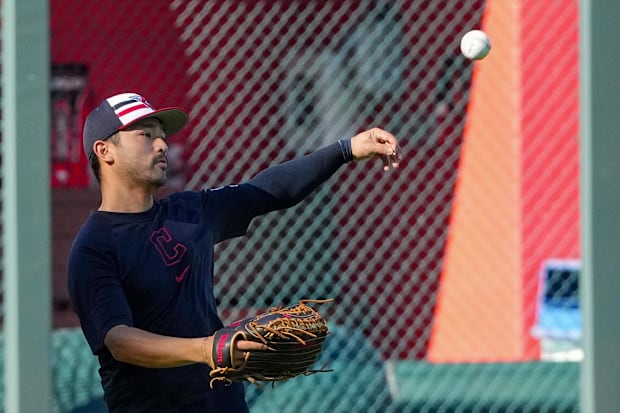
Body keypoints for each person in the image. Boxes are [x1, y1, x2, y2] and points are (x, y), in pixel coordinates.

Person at [67, 92, 401, 413]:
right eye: (146, 134)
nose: (162, 144)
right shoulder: (94, 247)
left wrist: (346, 149)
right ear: (105, 151)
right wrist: (206, 349)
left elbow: (266, 192)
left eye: (162, 135)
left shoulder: (188, 212)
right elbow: (119, 340)